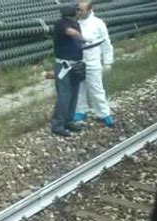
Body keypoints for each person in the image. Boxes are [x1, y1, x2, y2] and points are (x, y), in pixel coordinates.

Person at [71, 0, 115, 128]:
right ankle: (80, 111)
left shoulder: (98, 24)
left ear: (90, 10)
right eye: (78, 9)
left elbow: (106, 43)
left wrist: (108, 61)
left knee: (96, 88)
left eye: (81, 10)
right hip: (78, 59)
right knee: (79, 87)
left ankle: (103, 113)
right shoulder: (75, 24)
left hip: (93, 60)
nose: (78, 12)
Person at [51, 5, 85, 137]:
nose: (78, 12)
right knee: (64, 96)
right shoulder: (61, 24)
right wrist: (82, 38)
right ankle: (57, 125)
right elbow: (71, 33)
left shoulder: (76, 23)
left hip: (75, 65)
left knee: (73, 95)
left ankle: (68, 120)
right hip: (64, 66)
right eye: (76, 10)